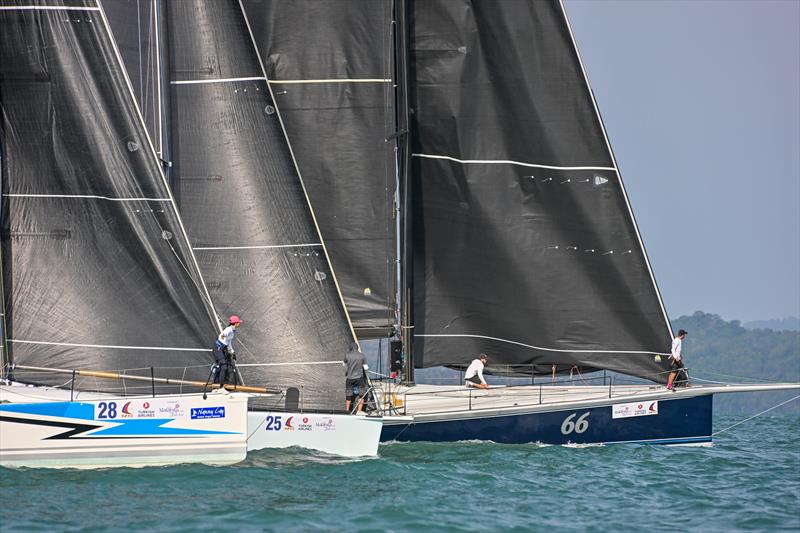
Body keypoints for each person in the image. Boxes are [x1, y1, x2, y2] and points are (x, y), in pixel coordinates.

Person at [213, 315, 242, 387]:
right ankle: (220, 386)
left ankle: (221, 385)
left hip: (223, 349)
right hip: (218, 348)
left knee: (228, 368)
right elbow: (222, 335)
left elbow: (229, 343)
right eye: (238, 322)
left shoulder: (232, 331)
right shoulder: (229, 329)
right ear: (235, 323)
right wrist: (223, 338)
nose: (239, 323)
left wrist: (232, 352)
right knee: (224, 367)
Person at [344, 341, 367, 413]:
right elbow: (366, 368)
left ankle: (347, 411)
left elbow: (343, 364)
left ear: (350, 348)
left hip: (350, 378)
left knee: (348, 395)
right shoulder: (362, 355)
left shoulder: (347, 355)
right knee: (361, 395)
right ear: (357, 348)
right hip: (359, 378)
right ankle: (359, 411)